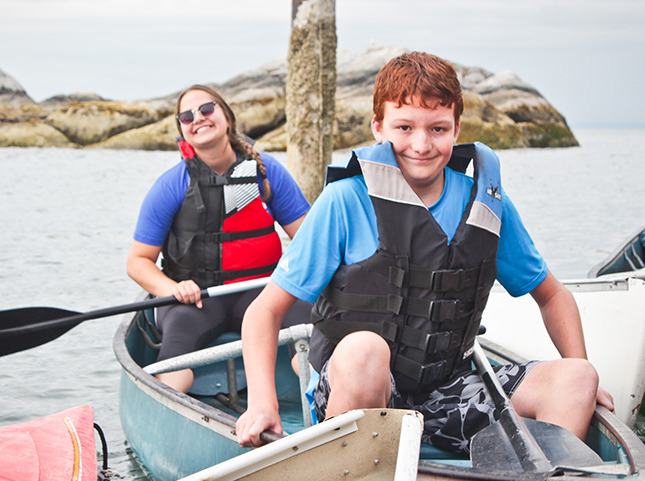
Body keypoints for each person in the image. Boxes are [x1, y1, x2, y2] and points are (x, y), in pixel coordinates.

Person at [235, 52, 614, 452]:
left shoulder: (485, 207)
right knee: (366, 351)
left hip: (448, 392)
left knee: (578, 377)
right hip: (359, 393)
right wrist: (263, 402)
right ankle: (347, 471)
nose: (421, 144)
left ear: (456, 129)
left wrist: (582, 367)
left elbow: (553, 295)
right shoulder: (344, 200)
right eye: (404, 127)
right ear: (378, 128)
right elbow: (265, 311)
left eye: (437, 129)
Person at [127, 84, 312, 392]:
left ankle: (327, 411)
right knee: (174, 352)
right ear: (182, 131)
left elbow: (309, 241)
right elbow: (137, 262)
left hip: (261, 291)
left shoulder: (266, 172)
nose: (198, 118)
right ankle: (174, 408)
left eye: (207, 109)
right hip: (196, 300)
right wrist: (173, 288)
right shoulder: (171, 185)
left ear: (226, 117)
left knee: (307, 329)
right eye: (187, 116)